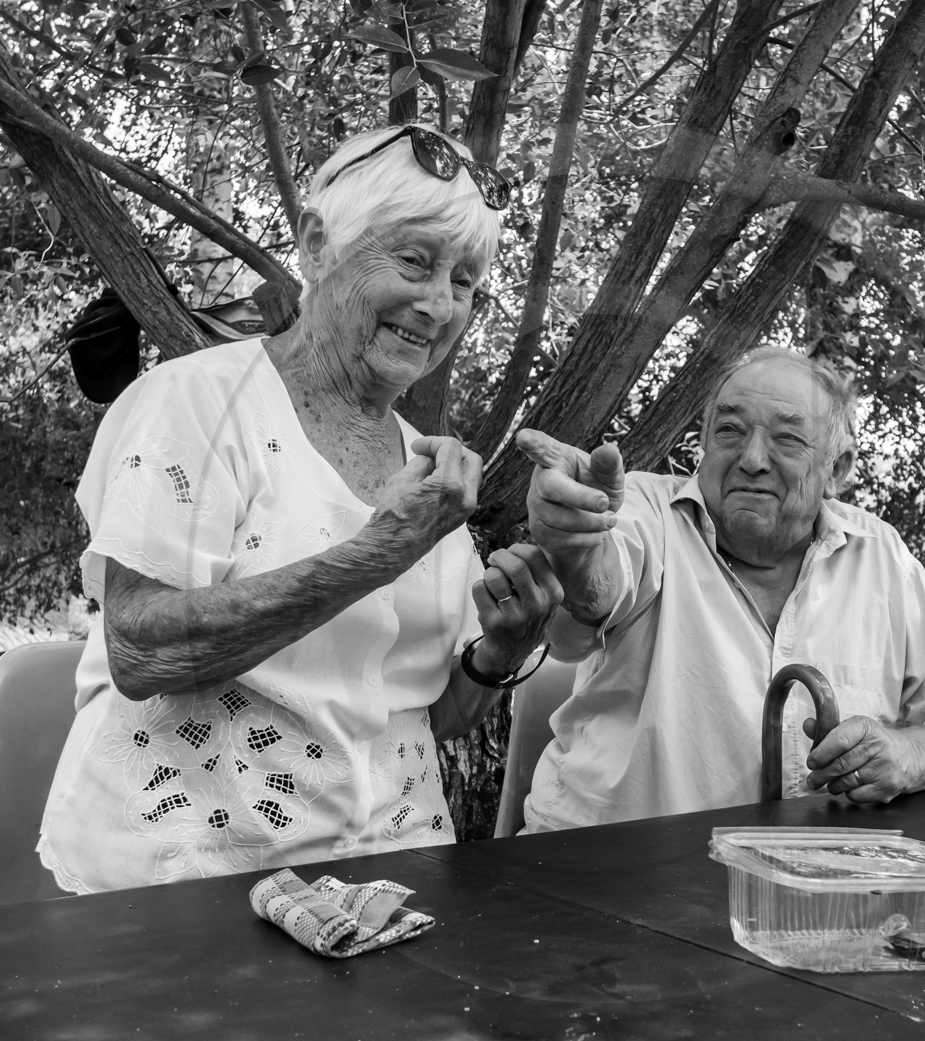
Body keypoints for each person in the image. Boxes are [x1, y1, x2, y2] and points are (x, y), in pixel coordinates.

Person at [39, 124, 562, 892]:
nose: (438, 303)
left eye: (465, 282)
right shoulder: (197, 402)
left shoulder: (425, 460)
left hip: (390, 886)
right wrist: (377, 554)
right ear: (318, 245)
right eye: (414, 260)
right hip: (185, 891)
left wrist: (501, 651)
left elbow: (431, 714)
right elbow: (142, 651)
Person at [516, 346, 925, 832]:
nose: (752, 458)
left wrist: (909, 753)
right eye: (730, 430)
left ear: (837, 470)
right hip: (603, 876)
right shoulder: (647, 511)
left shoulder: (879, 554)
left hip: (800, 893)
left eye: (788, 439)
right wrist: (575, 548)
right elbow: (601, 586)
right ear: (704, 444)